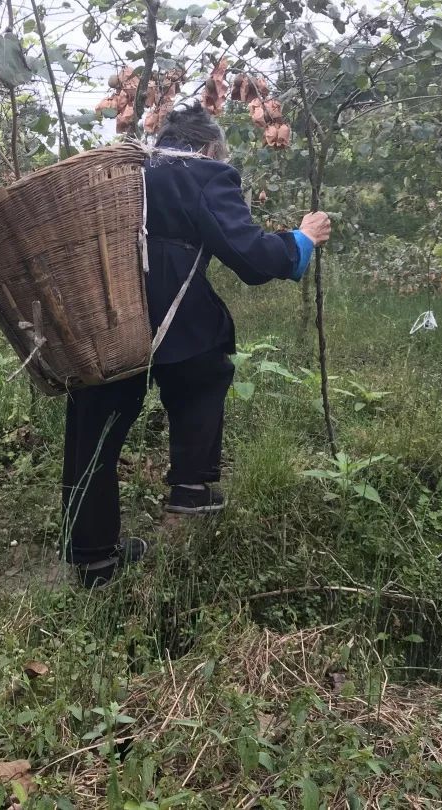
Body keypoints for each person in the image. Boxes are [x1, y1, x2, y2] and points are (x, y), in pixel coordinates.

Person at [61, 104, 332, 587]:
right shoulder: (204, 174)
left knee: (93, 432)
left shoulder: (121, 173)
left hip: (104, 315)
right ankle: (191, 484)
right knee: (205, 365)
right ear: (209, 147)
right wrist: (302, 239)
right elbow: (250, 256)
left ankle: (93, 559)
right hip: (173, 316)